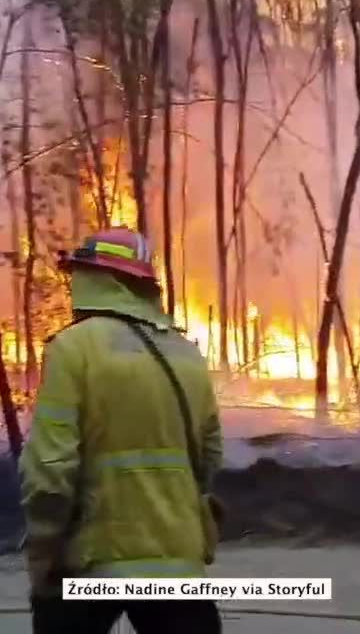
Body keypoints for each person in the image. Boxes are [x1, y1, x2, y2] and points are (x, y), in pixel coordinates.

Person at [19, 227, 223, 634]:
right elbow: (210, 458)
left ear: (97, 279)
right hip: (176, 567)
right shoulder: (186, 352)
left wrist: (44, 556)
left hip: (92, 563)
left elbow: (50, 471)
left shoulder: (74, 348)